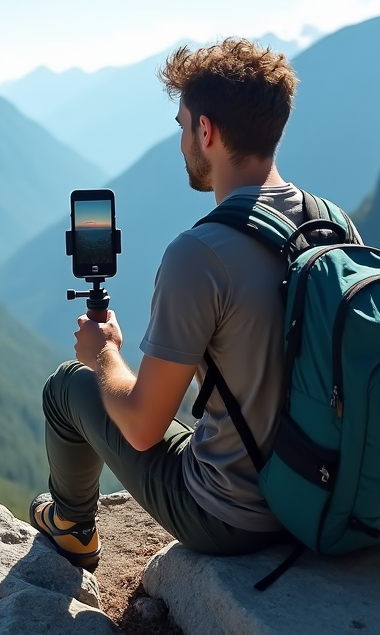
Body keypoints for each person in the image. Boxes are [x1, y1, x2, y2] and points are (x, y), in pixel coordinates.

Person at [29, 37, 360, 569]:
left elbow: (142, 429)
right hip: (325, 496)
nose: (182, 140)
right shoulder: (334, 225)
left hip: (233, 518)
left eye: (183, 125)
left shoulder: (200, 254)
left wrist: (105, 354)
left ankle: (71, 527)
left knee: (67, 385)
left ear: (206, 131)